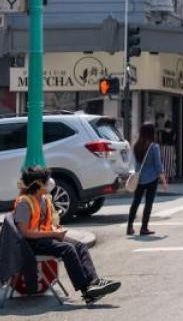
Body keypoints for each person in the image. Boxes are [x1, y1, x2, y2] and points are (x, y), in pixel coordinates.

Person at [14, 167, 120, 303]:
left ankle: (94, 282)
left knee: (80, 246)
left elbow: (47, 222)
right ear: (39, 184)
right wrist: (53, 233)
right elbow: (25, 232)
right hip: (30, 244)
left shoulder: (44, 199)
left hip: (46, 237)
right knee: (67, 249)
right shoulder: (24, 203)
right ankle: (87, 290)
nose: (50, 183)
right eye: (46, 181)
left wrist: (56, 231)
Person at [127, 122, 167, 236]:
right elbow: (158, 166)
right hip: (152, 179)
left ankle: (129, 227)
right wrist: (164, 182)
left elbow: (135, 163)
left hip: (139, 178)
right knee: (148, 204)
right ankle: (144, 228)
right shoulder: (154, 147)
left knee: (136, 202)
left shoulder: (136, 145)